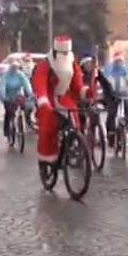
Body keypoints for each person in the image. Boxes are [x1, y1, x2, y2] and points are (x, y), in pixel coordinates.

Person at [32, 36, 89, 170]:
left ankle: (73, 144)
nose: (65, 55)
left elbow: (77, 82)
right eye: (62, 53)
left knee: (74, 121)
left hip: (65, 99)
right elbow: (40, 83)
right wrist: (43, 101)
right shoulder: (46, 64)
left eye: (66, 53)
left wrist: (84, 92)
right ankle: (47, 158)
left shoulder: (72, 63)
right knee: (48, 127)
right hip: (49, 99)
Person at [102, 51, 128, 147]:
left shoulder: (126, 69)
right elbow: (106, 78)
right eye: (117, 61)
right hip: (113, 95)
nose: (119, 63)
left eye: (120, 61)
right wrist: (110, 85)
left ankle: (125, 124)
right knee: (112, 112)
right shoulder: (109, 68)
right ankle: (110, 132)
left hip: (125, 94)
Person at [0, 58, 34, 137]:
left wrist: (30, 93)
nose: (14, 69)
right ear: (10, 67)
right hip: (8, 96)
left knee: (24, 107)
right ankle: (7, 130)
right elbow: (2, 86)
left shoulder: (20, 74)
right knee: (8, 113)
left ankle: (24, 121)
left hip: (18, 94)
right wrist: (3, 96)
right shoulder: (6, 75)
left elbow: (26, 84)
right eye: (13, 67)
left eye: (16, 67)